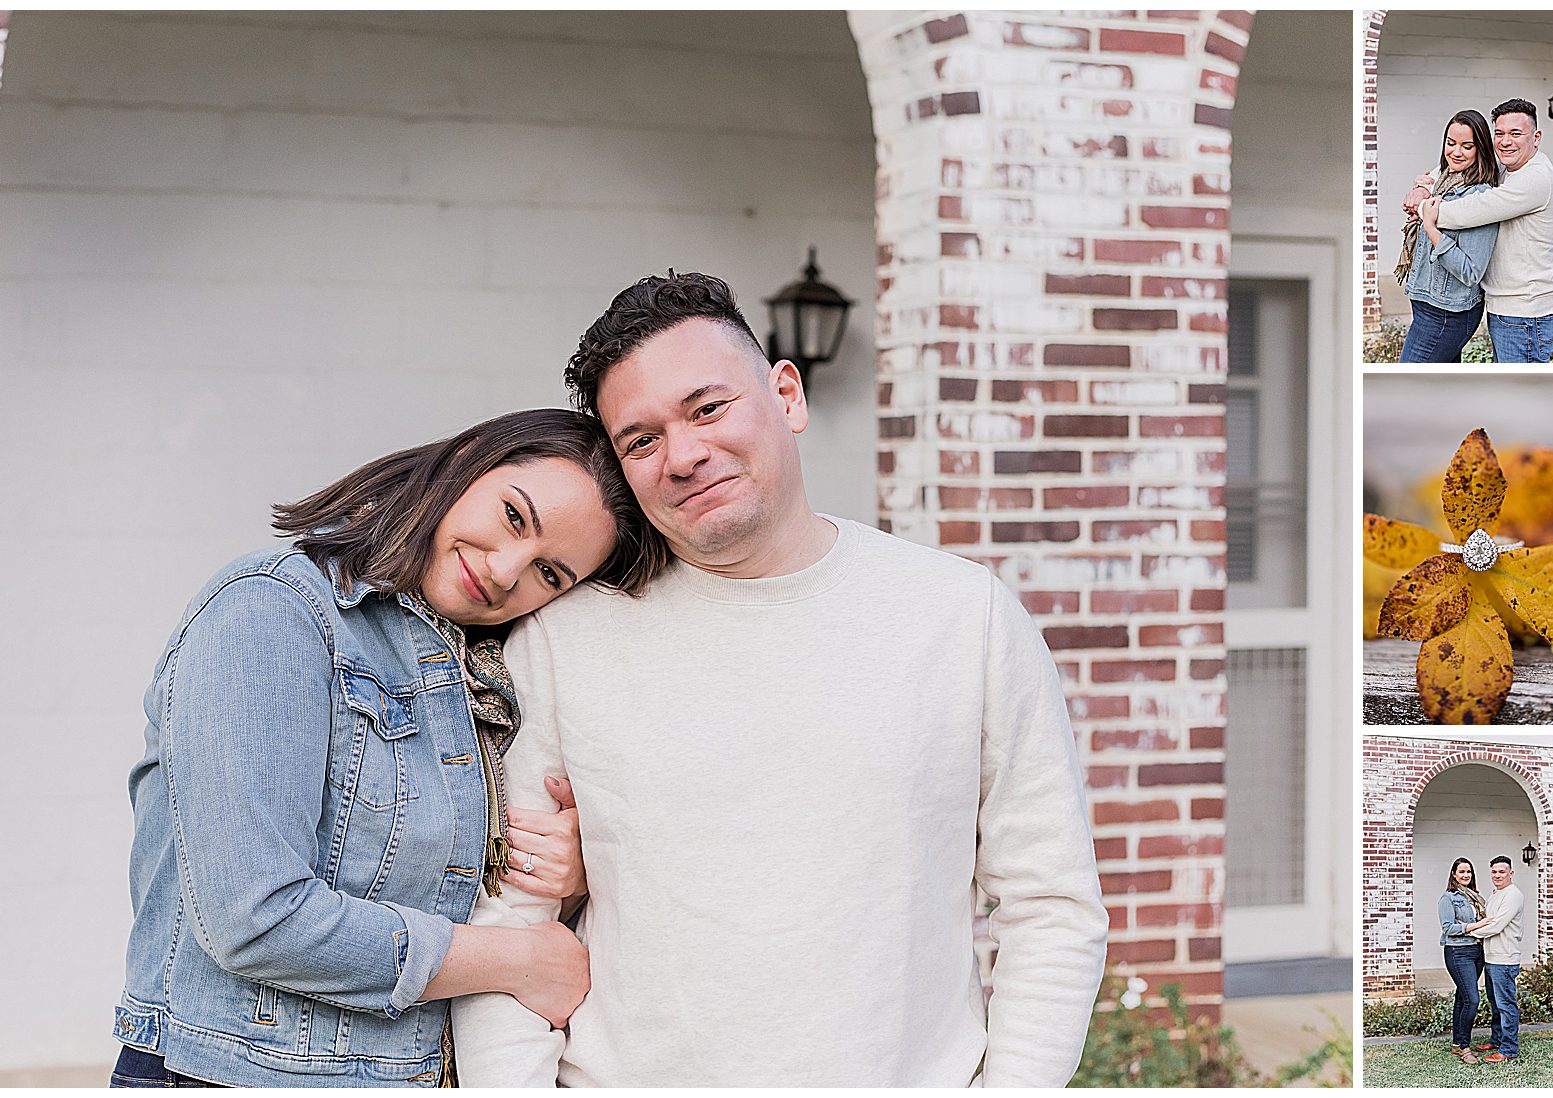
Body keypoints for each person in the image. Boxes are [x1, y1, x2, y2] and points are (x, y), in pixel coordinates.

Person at [451, 272, 1108, 1086]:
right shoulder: (562, 639)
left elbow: (1051, 906)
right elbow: (511, 924)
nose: (684, 456)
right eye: (642, 441)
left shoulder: (963, 616)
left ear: (787, 396)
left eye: (707, 408)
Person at [110, 409, 668, 1087]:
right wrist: (517, 961)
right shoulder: (274, 610)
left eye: (549, 574)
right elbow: (254, 921)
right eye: (514, 516)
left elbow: (442, 886)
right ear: (467, 457)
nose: (506, 570)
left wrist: (570, 874)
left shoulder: (478, 676)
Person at [1419, 98, 1553, 362]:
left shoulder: (1536, 179)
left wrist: (1423, 209)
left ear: (1536, 138)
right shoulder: (1508, 167)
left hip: (1525, 315)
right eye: (1499, 133)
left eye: (1516, 133)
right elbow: (1457, 165)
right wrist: (1425, 185)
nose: (1505, 141)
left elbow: (1472, 210)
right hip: (1507, 311)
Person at [1395, 110, 1503, 362]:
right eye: (1451, 143)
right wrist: (1421, 195)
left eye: (1467, 146)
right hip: (1428, 304)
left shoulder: (1480, 197)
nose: (1456, 152)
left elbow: (1471, 272)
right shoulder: (1444, 180)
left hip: (1447, 313)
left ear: (1480, 149)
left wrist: (1431, 229)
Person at [1464, 855, 1526, 1064]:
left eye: (1502, 872)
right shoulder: (1496, 895)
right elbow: (1486, 920)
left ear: (1511, 873)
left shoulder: (1513, 895)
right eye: (1494, 872)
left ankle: (1508, 1049)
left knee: (1506, 1004)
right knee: (1496, 1003)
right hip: (1491, 958)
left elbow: (1496, 925)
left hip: (1505, 959)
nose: (1497, 875)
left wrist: (1468, 932)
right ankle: (1497, 1040)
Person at [1437, 857, 1489, 1064]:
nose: (1466, 875)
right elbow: (1448, 927)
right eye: (1462, 872)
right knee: (1472, 999)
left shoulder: (1475, 897)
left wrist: (1470, 925)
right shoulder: (1448, 898)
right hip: (1458, 952)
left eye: (1469, 872)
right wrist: (1474, 926)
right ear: (1454, 874)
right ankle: (1465, 1047)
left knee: (1462, 998)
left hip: (1477, 951)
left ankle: (1457, 1044)